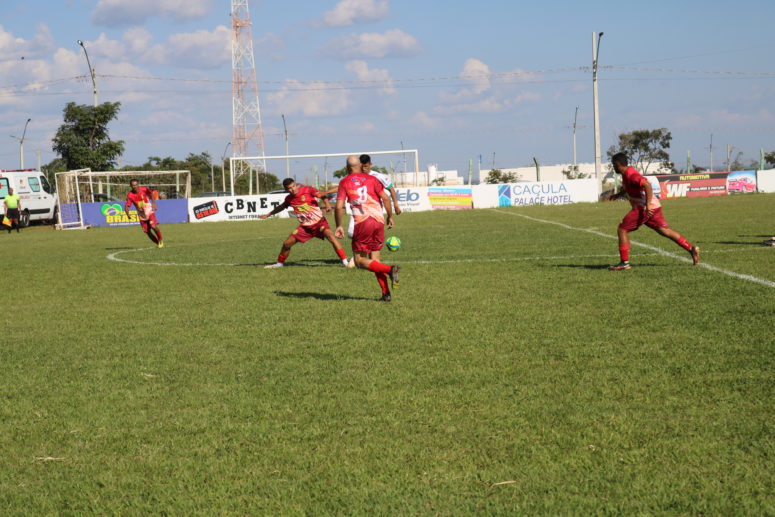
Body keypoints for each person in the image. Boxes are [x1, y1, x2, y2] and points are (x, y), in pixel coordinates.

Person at [608, 153, 699, 270]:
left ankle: (624, 263)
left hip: (644, 208)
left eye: (613, 165)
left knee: (622, 229)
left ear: (618, 164)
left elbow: (646, 185)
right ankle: (691, 249)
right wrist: (619, 194)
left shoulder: (631, 174)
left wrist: (647, 204)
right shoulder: (627, 174)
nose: (613, 167)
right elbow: (629, 187)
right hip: (653, 207)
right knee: (665, 231)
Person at [335, 155, 399, 301]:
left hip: (363, 223)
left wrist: (339, 225)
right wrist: (390, 216)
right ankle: (386, 294)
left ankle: (390, 270)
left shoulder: (344, 182)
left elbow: (339, 206)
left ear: (347, 167)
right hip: (378, 221)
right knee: (375, 261)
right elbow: (385, 198)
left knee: (358, 261)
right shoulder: (372, 179)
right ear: (360, 165)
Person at [260, 178, 351, 269]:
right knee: (287, 243)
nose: (293, 189)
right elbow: (281, 207)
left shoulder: (307, 189)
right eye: (290, 188)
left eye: (294, 186)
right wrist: (269, 214)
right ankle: (279, 264)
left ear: (295, 184)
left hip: (319, 222)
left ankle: (345, 262)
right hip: (305, 227)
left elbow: (322, 195)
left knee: (331, 237)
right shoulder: (289, 199)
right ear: (286, 189)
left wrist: (327, 205)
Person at [125, 178, 164, 248]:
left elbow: (151, 193)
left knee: (153, 226)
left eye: (136, 185)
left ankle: (160, 239)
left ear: (138, 184)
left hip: (149, 211)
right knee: (148, 232)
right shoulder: (130, 195)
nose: (135, 186)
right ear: (130, 186)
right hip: (141, 215)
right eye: (133, 185)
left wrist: (153, 203)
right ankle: (158, 243)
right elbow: (127, 206)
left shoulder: (144, 189)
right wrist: (127, 214)